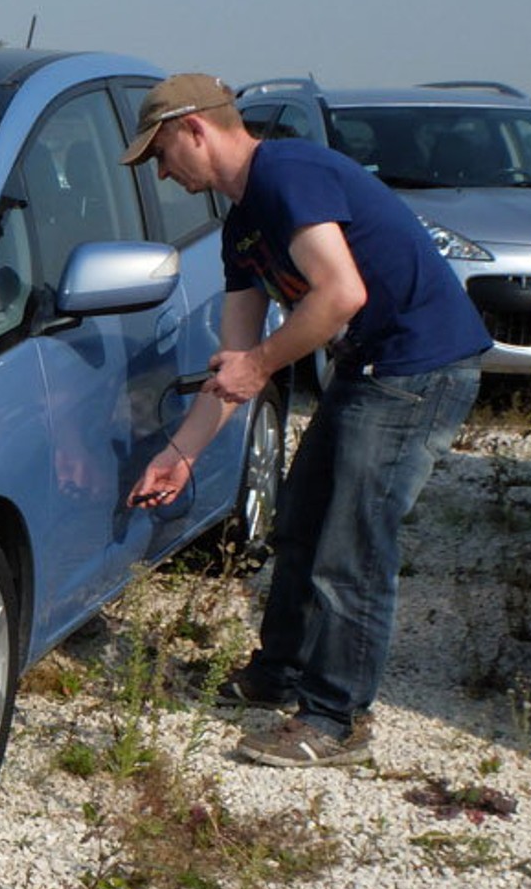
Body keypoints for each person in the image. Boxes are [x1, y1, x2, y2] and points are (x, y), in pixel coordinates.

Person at [121, 74, 490, 768]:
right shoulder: (241, 227)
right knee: (300, 524)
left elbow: (341, 294)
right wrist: (183, 452)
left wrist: (258, 366)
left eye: (162, 153)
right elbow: (232, 364)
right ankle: (276, 675)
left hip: (419, 366)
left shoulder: (288, 173)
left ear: (196, 129)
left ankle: (336, 718)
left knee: (351, 548)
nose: (164, 173)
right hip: (369, 369)